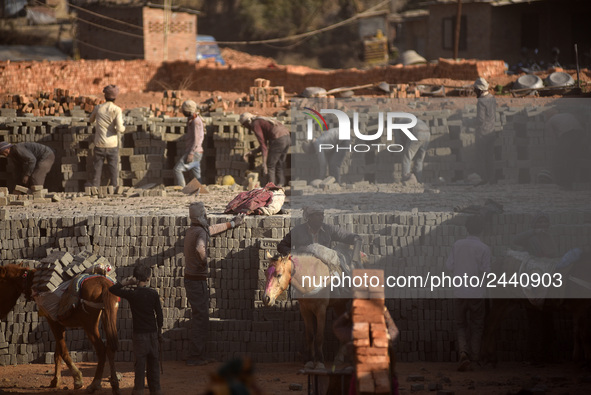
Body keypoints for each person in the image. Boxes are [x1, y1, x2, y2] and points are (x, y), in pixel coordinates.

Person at [184, 202, 245, 366]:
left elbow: (211, 230)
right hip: (196, 281)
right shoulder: (200, 233)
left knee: (200, 317)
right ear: (202, 216)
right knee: (201, 318)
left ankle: (198, 354)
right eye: (205, 214)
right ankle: (195, 356)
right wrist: (204, 263)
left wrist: (232, 223)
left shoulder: (194, 230)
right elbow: (200, 248)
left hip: (190, 280)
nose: (207, 216)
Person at [445, 215, 491, 371]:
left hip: (459, 292)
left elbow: (449, 266)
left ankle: (463, 352)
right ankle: (475, 358)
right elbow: (486, 272)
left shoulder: (457, 245)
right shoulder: (484, 248)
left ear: (467, 228)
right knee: (477, 326)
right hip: (477, 294)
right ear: (482, 229)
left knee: (461, 326)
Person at [109, 264, 163, 395]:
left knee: (140, 365)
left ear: (135, 278)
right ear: (149, 278)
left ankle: (138, 390)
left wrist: (127, 282)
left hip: (139, 336)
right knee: (154, 365)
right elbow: (159, 316)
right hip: (152, 334)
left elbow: (113, 289)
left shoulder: (132, 294)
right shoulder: (153, 294)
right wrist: (159, 332)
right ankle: (156, 391)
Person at [277, 204, 362, 263]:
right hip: (304, 265)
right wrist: (296, 253)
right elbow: (281, 246)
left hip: (324, 265)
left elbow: (343, 235)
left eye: (322, 215)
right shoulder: (298, 231)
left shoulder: (328, 229)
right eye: (318, 215)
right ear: (309, 217)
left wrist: (354, 238)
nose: (321, 218)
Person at [240, 112, 290, 187]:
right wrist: (251, 152)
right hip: (287, 138)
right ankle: (281, 184)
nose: (246, 127)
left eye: (244, 125)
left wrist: (264, 163)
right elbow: (264, 145)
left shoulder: (255, 124)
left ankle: (271, 186)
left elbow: (263, 145)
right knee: (280, 163)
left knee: (270, 165)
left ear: (247, 121)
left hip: (278, 139)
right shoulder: (261, 121)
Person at [89, 84, 125, 187]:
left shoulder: (98, 108)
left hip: (99, 144)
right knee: (113, 169)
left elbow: (90, 120)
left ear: (105, 96)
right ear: (115, 97)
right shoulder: (116, 109)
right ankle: (114, 189)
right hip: (112, 145)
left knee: (97, 169)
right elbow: (119, 128)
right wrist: (123, 128)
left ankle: (95, 189)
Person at [544, 110, 587, 190]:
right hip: (580, 133)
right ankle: (572, 182)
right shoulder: (567, 114)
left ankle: (564, 183)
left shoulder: (549, 121)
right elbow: (582, 123)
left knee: (561, 159)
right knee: (572, 159)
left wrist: (557, 149)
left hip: (567, 134)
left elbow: (553, 138)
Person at [473, 77, 497, 186]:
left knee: (481, 157)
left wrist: (471, 123)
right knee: (490, 156)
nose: (474, 92)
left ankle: (484, 179)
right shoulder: (492, 98)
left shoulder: (481, 101)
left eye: (475, 90)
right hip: (492, 131)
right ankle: (492, 179)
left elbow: (480, 119)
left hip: (483, 133)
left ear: (480, 89)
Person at [174, 100, 204, 187]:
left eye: (184, 110)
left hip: (194, 152)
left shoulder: (196, 122)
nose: (183, 112)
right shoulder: (192, 120)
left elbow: (197, 139)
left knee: (178, 169)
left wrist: (191, 153)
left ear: (188, 110)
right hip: (197, 152)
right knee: (196, 173)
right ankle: (200, 189)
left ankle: (182, 188)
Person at [400, 118, 431, 183]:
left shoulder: (397, 123)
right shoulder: (410, 119)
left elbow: (399, 142)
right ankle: (418, 180)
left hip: (417, 132)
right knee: (419, 159)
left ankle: (407, 178)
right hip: (427, 133)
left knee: (407, 157)